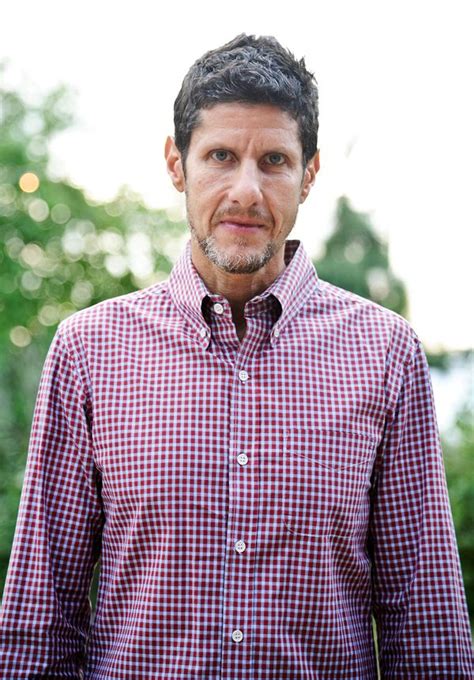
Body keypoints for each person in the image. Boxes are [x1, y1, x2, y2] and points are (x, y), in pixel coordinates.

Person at [0, 33, 472, 679]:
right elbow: (39, 621)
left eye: (274, 160)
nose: (246, 190)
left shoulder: (385, 353)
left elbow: (426, 625)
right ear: (177, 164)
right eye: (220, 155)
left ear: (308, 173)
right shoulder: (88, 351)